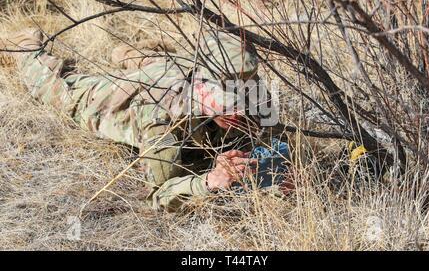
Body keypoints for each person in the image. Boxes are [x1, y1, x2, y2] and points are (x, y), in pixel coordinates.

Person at [0, 28, 281, 212]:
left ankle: (130, 55)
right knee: (54, 89)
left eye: (244, 92)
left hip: (175, 68)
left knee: (164, 64)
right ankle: (24, 45)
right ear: (204, 91)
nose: (240, 107)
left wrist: (277, 165)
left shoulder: (248, 83)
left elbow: (273, 133)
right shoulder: (160, 118)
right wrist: (209, 180)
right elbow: (159, 196)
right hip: (122, 99)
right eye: (229, 103)